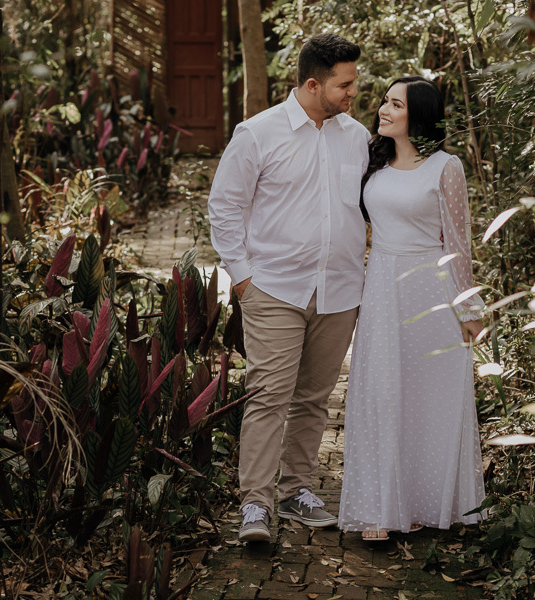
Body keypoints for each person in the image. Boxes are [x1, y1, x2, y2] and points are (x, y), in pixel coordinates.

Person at [207, 33, 370, 542]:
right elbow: (225, 206)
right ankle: (255, 504)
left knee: (314, 398)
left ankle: (296, 489)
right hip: (274, 288)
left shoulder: (358, 137)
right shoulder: (257, 134)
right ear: (313, 84)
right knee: (268, 396)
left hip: (340, 291)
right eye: (345, 84)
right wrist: (243, 279)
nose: (353, 92)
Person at [338, 76, 486, 541]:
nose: (383, 109)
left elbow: (458, 243)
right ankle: (381, 508)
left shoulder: (446, 166)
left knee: (426, 398)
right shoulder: (373, 160)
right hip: (382, 285)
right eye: (385, 101)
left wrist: (468, 307)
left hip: (431, 290)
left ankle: (419, 503)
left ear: (418, 115)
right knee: (382, 392)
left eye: (396, 104)